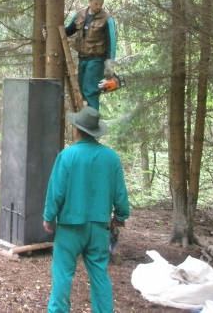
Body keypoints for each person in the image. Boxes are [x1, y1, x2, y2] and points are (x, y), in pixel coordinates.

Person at [43, 106, 130, 313]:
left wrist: (49, 217)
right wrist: (120, 216)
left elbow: (56, 191)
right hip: (100, 227)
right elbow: (120, 194)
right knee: (99, 273)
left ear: (76, 130)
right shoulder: (111, 157)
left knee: (63, 273)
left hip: (70, 227)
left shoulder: (67, 155)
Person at [64, 0, 117, 111]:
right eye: (96, 3)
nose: (98, 6)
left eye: (101, 4)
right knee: (82, 91)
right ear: (90, 1)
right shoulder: (80, 14)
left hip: (96, 60)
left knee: (90, 91)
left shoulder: (107, 19)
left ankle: (91, 123)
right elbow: (68, 30)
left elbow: (111, 43)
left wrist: (110, 66)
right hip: (82, 59)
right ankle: (84, 120)